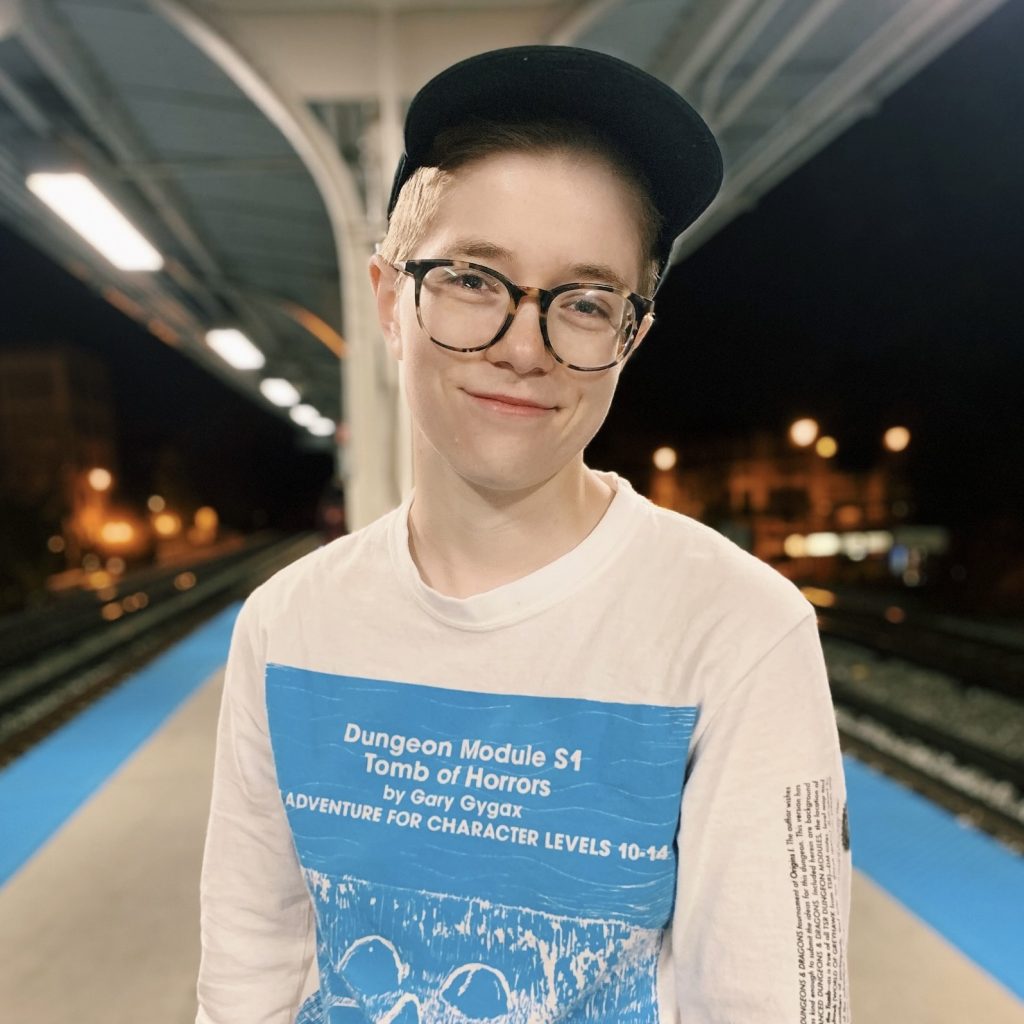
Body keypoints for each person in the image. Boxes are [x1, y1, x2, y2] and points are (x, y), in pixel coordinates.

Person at [196, 46, 851, 1024]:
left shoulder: (735, 630)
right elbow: (248, 966)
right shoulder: (288, 627)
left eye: (584, 301)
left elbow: (774, 1003)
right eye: (471, 279)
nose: (521, 341)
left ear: (629, 336)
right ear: (390, 298)